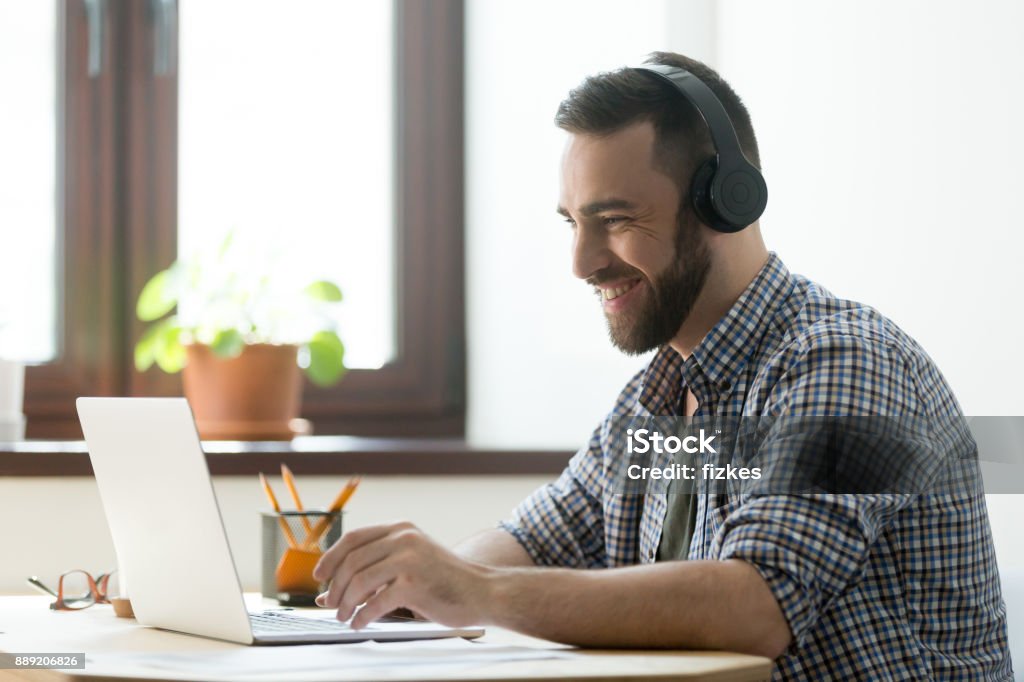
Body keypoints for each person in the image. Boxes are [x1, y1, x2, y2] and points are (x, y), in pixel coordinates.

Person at [313, 52, 1012, 679]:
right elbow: (536, 539)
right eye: (573, 223)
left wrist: (475, 593)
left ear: (723, 203)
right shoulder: (658, 397)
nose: (582, 262)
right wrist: (412, 583)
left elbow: (758, 604)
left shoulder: (846, 364)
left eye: (614, 219)